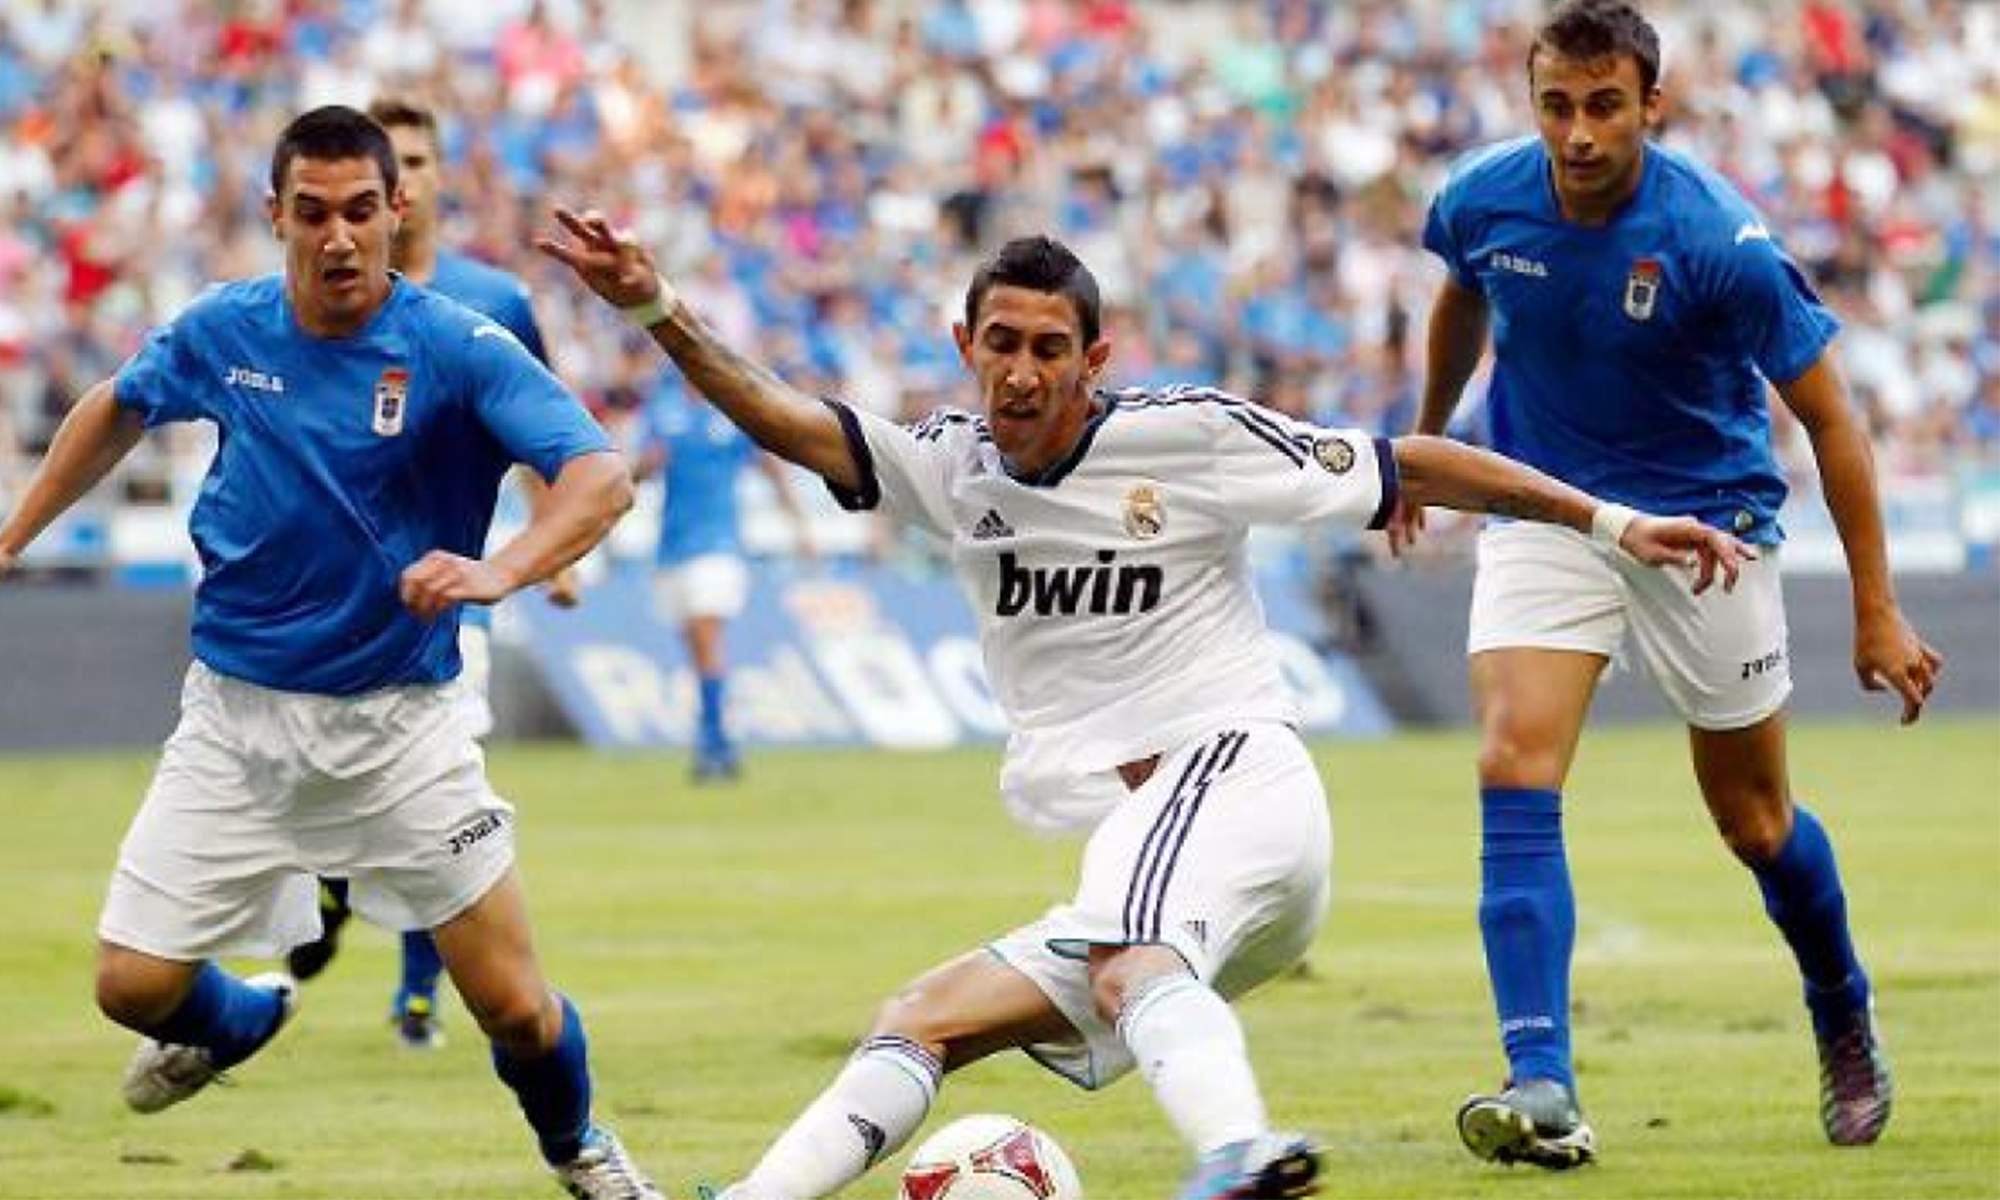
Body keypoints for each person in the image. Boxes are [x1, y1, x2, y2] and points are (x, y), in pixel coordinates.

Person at [538, 217, 1746, 1199]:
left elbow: (1407, 465)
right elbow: (784, 418)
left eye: (1048, 347)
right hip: (1162, 866)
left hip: (1231, 781)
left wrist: (1607, 522)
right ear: (964, 343)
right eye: (999, 342)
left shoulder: (1189, 440)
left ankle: (1240, 1152)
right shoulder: (947, 469)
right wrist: (655, 309)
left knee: (1128, 959)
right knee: (923, 1019)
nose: (1020, 370)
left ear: (1093, 359)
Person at [0, 107, 660, 1200]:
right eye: (313, 214)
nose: (340, 238)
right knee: (129, 985)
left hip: (399, 724)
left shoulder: (454, 343)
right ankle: (238, 1021)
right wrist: (15, 535)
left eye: (362, 211)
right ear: (275, 216)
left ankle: (580, 1148)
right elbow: (117, 408)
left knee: (511, 1007)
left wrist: (501, 570)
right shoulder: (224, 330)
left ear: (397, 212)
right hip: (235, 720)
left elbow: (599, 476)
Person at [1405, 0, 1944, 1169]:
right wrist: (1424, 446)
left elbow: (1832, 421)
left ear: (1652, 103)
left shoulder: (1714, 240)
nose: (1579, 132)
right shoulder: (1481, 199)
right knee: (1511, 760)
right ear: (1531, 101)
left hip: (1706, 533)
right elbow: (1460, 295)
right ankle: (1539, 1079)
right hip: (1547, 511)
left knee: (1752, 824)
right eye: (1557, 105)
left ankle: (1838, 1006)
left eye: (1604, 106)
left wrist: (1874, 603)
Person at [282, 96, 582, 1053]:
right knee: (334, 797)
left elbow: (539, 426)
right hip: (328, 603)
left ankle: (417, 994)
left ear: (426, 181)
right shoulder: (310, 297)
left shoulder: (491, 301)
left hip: (448, 593)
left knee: (436, 791)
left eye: (414, 160)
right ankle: (330, 894)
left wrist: (548, 549)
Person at [636, 371, 815, 781]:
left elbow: (770, 466)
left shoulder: (730, 415)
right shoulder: (663, 413)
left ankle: (715, 745)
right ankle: (718, 741)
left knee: (706, 642)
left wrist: (798, 524)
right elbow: (635, 472)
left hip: (718, 547)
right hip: (672, 547)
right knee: (695, 649)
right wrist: (646, 465)